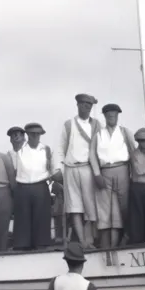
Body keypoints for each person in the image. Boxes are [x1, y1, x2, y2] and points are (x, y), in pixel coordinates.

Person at [53, 93, 102, 249]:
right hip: (71, 169)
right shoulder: (69, 124)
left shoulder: (96, 125)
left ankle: (90, 240)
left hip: (88, 168)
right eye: (83, 104)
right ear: (78, 105)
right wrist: (58, 168)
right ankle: (81, 242)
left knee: (90, 206)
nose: (86, 107)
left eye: (89, 104)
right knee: (74, 207)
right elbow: (60, 148)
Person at [89, 103, 136, 248]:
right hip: (105, 172)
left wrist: (134, 174)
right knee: (105, 208)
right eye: (109, 115)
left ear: (117, 116)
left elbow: (133, 152)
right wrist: (97, 175)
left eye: (114, 115)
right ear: (104, 116)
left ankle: (127, 236)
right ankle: (106, 243)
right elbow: (92, 156)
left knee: (124, 206)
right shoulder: (98, 135)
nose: (112, 117)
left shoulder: (124, 132)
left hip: (122, 169)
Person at [14, 123, 54, 250]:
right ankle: (22, 244)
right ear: (27, 135)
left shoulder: (46, 149)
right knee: (22, 217)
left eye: (37, 134)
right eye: (32, 134)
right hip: (22, 187)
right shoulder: (19, 149)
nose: (35, 136)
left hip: (41, 186)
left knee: (41, 216)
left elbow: (52, 169)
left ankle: (41, 244)